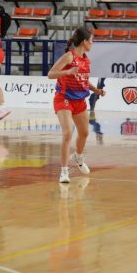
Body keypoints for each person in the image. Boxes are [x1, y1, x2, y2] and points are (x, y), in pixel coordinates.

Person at [47, 27, 105, 184]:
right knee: (67, 133)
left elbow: (83, 80)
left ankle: (78, 157)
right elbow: (50, 74)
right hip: (63, 98)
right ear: (85, 42)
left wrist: (96, 90)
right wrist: (67, 72)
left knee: (84, 133)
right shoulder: (69, 56)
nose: (92, 44)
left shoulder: (86, 60)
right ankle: (64, 171)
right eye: (91, 41)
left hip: (79, 100)